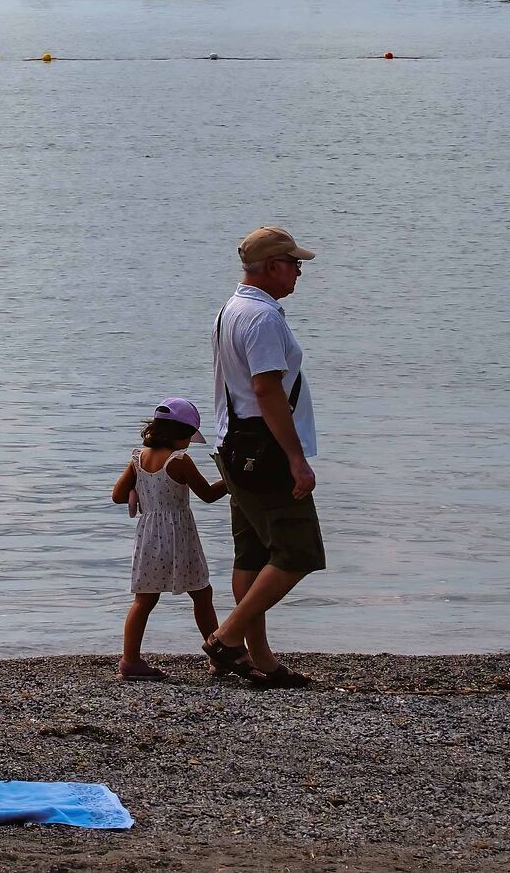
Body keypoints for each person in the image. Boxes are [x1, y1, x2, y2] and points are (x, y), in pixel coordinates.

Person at [204, 226, 325, 689]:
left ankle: (261, 661)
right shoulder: (263, 318)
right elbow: (267, 389)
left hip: (233, 442)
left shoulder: (231, 309)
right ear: (272, 266)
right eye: (294, 263)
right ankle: (227, 639)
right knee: (298, 551)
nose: (299, 271)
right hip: (264, 447)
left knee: (252, 554)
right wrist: (296, 458)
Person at [110, 396, 227, 682]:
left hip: (149, 536)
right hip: (179, 535)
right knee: (201, 594)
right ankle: (219, 656)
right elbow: (209, 495)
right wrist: (232, 479)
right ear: (179, 434)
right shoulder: (179, 461)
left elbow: (116, 496)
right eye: (188, 436)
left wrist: (138, 490)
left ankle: (130, 660)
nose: (189, 442)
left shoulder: (137, 458)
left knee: (144, 600)